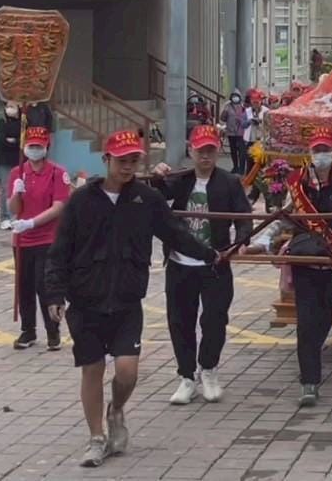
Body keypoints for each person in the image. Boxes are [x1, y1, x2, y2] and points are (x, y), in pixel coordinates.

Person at [43, 130, 228, 468]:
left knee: (127, 372)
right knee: (92, 370)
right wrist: (55, 293)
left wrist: (210, 254)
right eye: (121, 160)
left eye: (133, 160)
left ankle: (116, 410)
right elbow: (59, 251)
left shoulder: (146, 199)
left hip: (127, 301)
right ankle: (96, 438)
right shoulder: (82, 201)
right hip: (85, 300)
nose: (127, 166)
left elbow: (175, 234)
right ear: (106, 160)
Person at [248, 130, 332, 409]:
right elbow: (285, 217)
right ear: (310, 153)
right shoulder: (298, 181)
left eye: (326, 149)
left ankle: (314, 350)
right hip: (304, 261)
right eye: (317, 150)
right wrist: (262, 241)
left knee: (323, 316)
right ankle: (309, 381)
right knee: (306, 320)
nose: (321, 155)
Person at [148, 125, 252, 406]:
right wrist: (157, 176)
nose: (205, 156)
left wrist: (240, 242)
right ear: (190, 151)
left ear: (217, 152)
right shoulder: (181, 179)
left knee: (215, 319)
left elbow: (244, 216)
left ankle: (208, 369)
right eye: (200, 150)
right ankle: (186, 376)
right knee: (180, 321)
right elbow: (158, 195)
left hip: (215, 262)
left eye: (210, 150)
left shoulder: (229, 182)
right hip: (180, 262)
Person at [6, 126, 70, 350]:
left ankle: (53, 331)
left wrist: (32, 222)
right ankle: (28, 330)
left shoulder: (57, 173)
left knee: (45, 286)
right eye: (31, 146)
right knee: (24, 286)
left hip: (48, 238)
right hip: (22, 240)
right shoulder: (17, 173)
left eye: (38, 146)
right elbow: (14, 209)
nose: (34, 150)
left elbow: (59, 206)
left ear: (46, 148)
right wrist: (16, 193)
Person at [0, 100, 23, 229]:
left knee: (19, 188)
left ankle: (16, 216)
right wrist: (12, 142)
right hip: (4, 159)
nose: (9, 109)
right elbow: (2, 140)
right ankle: (5, 217)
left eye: (12, 106)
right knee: (6, 188)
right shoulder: (2, 122)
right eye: (7, 106)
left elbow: (22, 140)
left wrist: (14, 141)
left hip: (19, 159)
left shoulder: (23, 122)